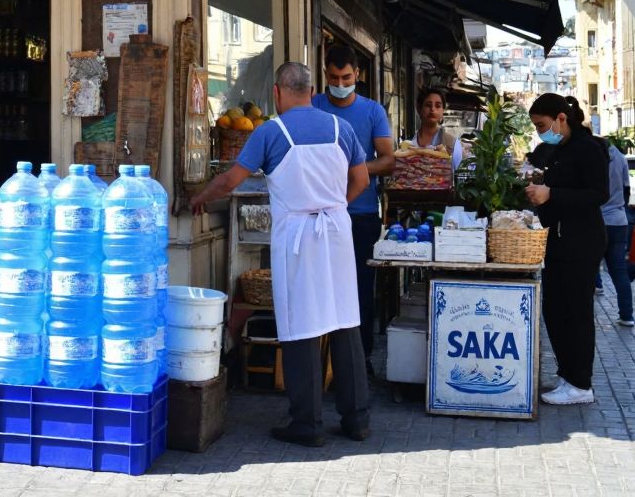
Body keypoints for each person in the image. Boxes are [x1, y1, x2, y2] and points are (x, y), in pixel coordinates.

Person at [191, 62, 371, 446]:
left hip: (299, 236)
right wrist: (334, 207)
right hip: (337, 230)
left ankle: (307, 423)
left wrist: (200, 198)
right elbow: (361, 180)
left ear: (277, 93)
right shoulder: (344, 128)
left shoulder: (272, 132)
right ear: (312, 90)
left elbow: (230, 180)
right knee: (344, 320)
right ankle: (357, 419)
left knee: (302, 324)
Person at [311, 44, 394, 374]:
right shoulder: (313, 105)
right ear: (325, 74)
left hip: (359, 215)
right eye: (333, 77)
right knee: (318, 287)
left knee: (360, 288)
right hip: (316, 213)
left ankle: (361, 360)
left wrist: (355, 169)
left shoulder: (373, 111)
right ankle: (321, 361)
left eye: (346, 77)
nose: (340, 83)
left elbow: (388, 161)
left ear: (357, 75)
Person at [523, 94, 609, 406]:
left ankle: (580, 383)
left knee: (576, 312)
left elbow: (598, 193)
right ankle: (568, 374)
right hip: (559, 240)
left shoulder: (588, 148)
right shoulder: (560, 148)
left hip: (581, 241)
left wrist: (552, 193)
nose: (539, 132)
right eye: (535, 127)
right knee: (556, 311)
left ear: (561, 118)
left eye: (542, 125)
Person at [602, 141, 635, 326]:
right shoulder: (621, 158)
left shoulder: (596, 157)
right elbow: (626, 189)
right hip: (619, 220)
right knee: (619, 271)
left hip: (599, 221)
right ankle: (627, 315)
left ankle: (584, 315)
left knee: (589, 270)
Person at [410, 88, 464, 172]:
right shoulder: (409, 142)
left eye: (438, 106)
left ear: (443, 111)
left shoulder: (452, 144)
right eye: (428, 105)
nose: (432, 109)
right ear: (419, 109)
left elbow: (457, 178)